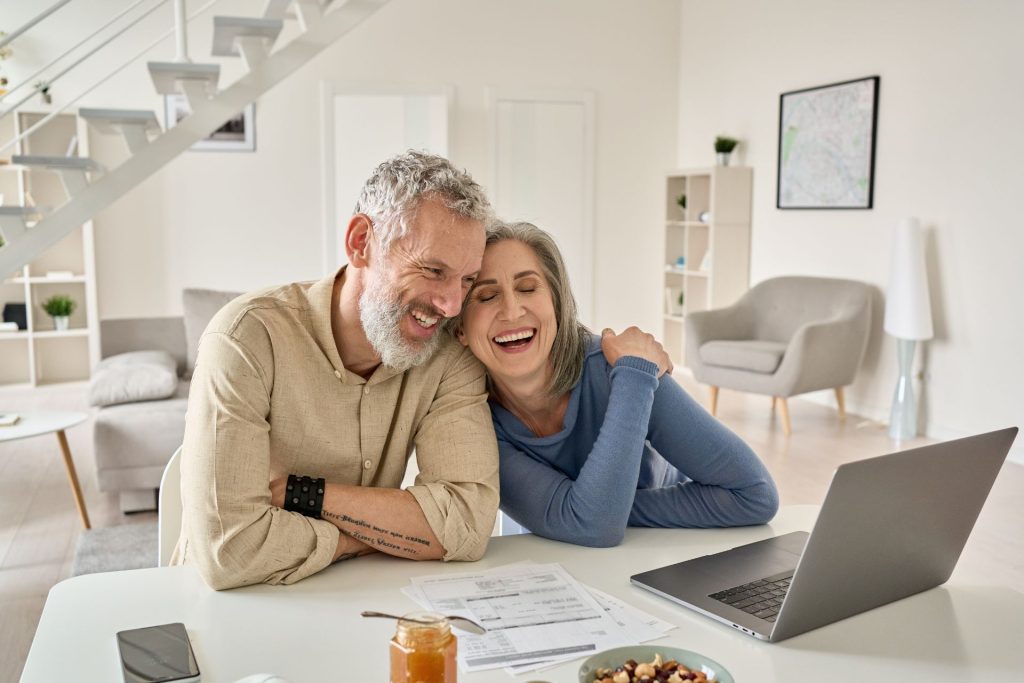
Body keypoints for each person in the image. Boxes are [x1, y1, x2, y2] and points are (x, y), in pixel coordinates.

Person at [174, 151, 500, 590]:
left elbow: (466, 523)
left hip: (353, 602)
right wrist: (379, 535)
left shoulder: (448, 358)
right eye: (432, 270)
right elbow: (229, 551)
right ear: (361, 241)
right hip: (226, 607)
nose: (451, 305)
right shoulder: (246, 337)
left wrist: (300, 494)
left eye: (466, 280)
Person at [454, 222, 779, 547]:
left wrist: (596, 508)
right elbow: (592, 524)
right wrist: (593, 511)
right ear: (460, 331)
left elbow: (755, 494)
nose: (512, 310)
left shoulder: (625, 370)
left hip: (661, 553)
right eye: (486, 296)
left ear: (556, 303)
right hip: (556, 564)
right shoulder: (471, 423)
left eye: (527, 288)